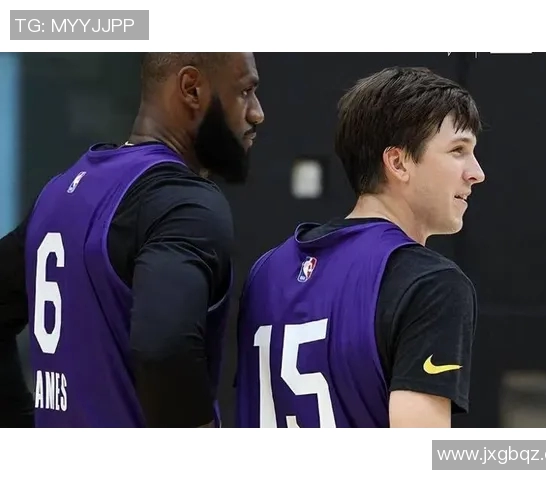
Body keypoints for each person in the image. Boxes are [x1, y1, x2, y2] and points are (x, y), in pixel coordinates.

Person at [0, 52, 264, 428]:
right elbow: (164, 348)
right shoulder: (183, 202)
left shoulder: (58, 193)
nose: (257, 113)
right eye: (245, 91)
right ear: (191, 89)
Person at [235, 66, 485, 428]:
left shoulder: (266, 272)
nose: (476, 172)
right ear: (398, 162)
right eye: (458, 150)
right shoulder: (432, 284)